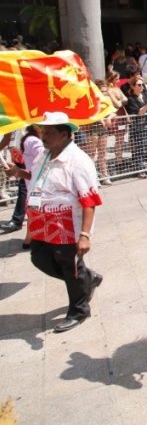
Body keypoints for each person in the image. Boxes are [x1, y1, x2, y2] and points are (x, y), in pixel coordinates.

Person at [3, 113, 103, 333]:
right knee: (39, 257)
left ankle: (79, 310)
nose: (44, 136)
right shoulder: (45, 155)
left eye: (49, 132)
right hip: (42, 224)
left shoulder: (78, 161)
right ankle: (88, 279)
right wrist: (19, 172)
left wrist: (85, 235)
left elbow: (89, 200)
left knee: (70, 267)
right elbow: (36, 176)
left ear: (65, 134)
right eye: (43, 131)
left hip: (68, 226)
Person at [0, 126, 44, 242]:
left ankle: (26, 232)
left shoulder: (31, 140)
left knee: (31, 202)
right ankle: (30, 237)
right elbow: (7, 138)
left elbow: (43, 158)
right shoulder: (22, 135)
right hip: (26, 169)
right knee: (31, 204)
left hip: (35, 176)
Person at [125, 77, 147, 178]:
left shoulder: (145, 95)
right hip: (139, 127)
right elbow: (139, 112)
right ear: (133, 87)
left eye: (142, 85)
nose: (141, 87)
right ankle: (139, 169)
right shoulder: (131, 99)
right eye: (139, 85)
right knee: (140, 148)